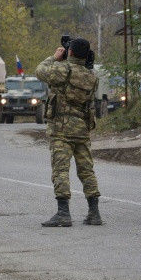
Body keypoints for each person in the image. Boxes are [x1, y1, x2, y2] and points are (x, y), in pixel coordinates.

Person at [35, 38, 102, 227]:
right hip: (82, 129)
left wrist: (54, 58)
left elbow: (40, 71)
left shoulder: (62, 69)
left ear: (69, 52)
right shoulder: (92, 75)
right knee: (87, 170)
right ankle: (94, 213)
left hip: (61, 129)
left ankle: (63, 213)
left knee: (61, 170)